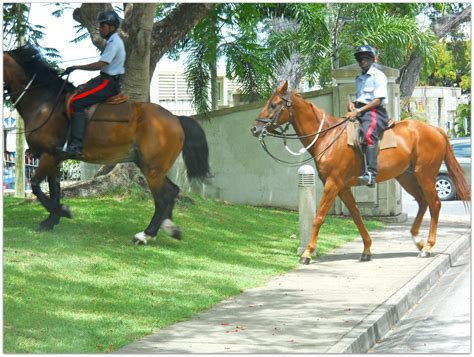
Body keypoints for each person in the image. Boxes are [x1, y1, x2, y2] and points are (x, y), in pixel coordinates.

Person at [58, 10, 125, 158]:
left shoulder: (114, 43)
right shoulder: (112, 41)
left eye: (103, 26)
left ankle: (76, 146)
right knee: (75, 92)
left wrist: (76, 67)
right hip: (103, 78)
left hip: (108, 83)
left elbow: (100, 64)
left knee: (76, 102)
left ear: (112, 27)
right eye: (100, 26)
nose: (100, 29)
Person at [345, 45, 388, 187]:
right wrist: (352, 105)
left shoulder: (378, 75)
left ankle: (371, 174)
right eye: (360, 58)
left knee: (368, 133)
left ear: (372, 59)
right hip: (360, 110)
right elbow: (361, 97)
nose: (363, 61)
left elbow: (378, 100)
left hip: (374, 111)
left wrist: (358, 111)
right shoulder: (359, 78)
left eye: (366, 58)